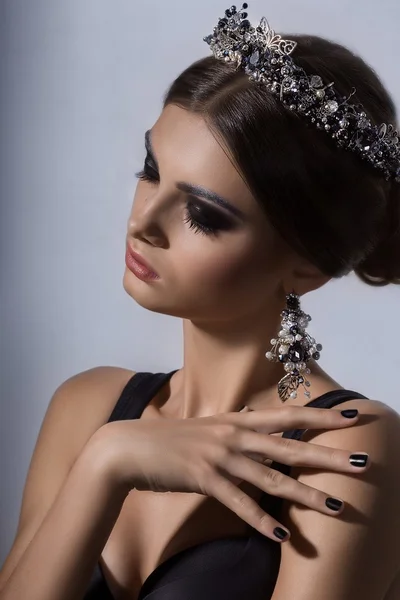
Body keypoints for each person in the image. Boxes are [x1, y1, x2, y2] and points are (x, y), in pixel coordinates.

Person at [1, 4, 400, 600]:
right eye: (150, 169)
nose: (144, 221)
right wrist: (106, 463)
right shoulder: (88, 409)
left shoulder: (346, 444)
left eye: (203, 213)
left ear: (307, 265)